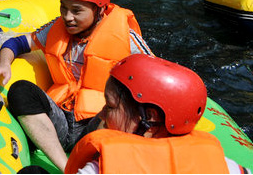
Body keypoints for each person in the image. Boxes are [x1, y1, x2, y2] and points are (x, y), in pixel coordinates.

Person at [0, 0, 152, 172]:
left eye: (76, 11)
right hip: (60, 118)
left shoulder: (126, 39)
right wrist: (4, 64)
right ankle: (67, 167)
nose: (67, 17)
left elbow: (154, 76)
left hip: (99, 121)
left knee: (125, 110)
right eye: (63, 7)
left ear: (100, 10)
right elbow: (16, 42)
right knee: (20, 91)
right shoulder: (57, 28)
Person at [64, 55, 246, 174]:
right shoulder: (227, 167)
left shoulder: (101, 168)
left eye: (110, 106)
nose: (102, 114)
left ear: (150, 117)